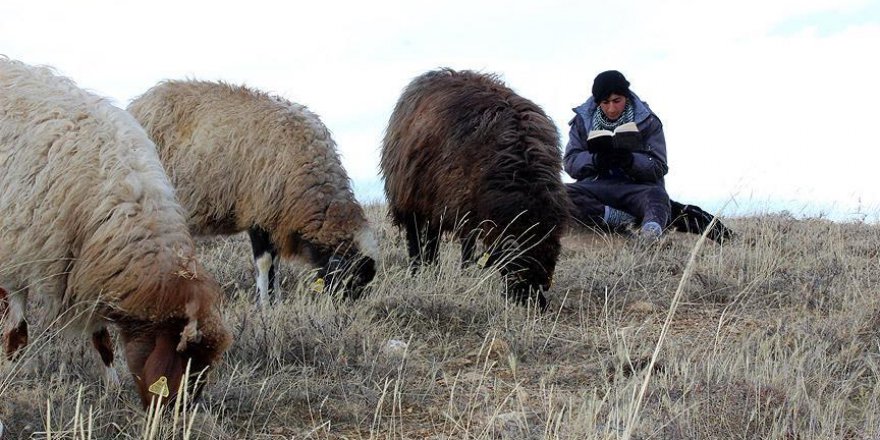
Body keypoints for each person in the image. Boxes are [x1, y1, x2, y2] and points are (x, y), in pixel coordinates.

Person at [564, 70, 732, 243]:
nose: (611, 108)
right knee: (557, 193)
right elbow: (570, 162)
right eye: (605, 102)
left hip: (638, 189)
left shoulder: (649, 121)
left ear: (626, 97)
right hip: (597, 188)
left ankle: (650, 235)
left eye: (617, 101)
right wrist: (596, 160)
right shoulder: (581, 122)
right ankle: (620, 219)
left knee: (657, 196)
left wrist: (630, 161)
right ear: (597, 102)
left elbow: (659, 166)